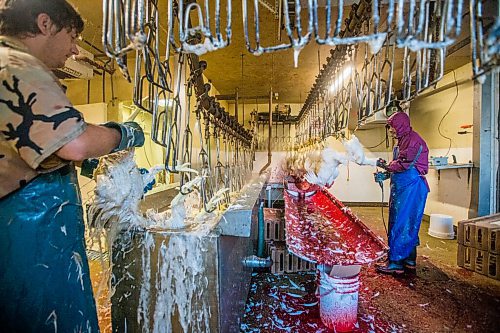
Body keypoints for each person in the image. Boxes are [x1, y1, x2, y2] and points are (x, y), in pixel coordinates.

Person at [0, 1, 145, 332]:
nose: (76, 50)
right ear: (45, 23)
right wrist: (122, 135)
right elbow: (75, 144)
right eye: (72, 36)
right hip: (26, 237)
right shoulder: (16, 65)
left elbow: (38, 148)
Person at [374, 110, 430, 275]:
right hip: (403, 186)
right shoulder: (403, 140)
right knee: (408, 222)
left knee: (401, 222)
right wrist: (386, 174)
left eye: (392, 127)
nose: (391, 131)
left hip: (411, 188)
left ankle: (396, 262)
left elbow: (404, 164)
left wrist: (384, 166)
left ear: (400, 125)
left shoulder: (413, 141)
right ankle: (409, 259)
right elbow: (400, 164)